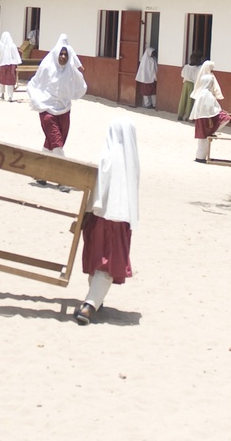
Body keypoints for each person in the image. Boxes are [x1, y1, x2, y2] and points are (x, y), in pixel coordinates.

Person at [75, 118, 139, 325]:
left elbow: (96, 190)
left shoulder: (106, 159)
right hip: (120, 219)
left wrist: (85, 213)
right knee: (109, 261)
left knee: (98, 258)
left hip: (100, 216)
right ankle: (92, 302)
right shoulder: (133, 163)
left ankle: (91, 303)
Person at [27, 34, 87, 191]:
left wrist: (70, 96)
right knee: (57, 142)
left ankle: (40, 173)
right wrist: (38, 100)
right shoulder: (46, 67)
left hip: (64, 110)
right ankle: (63, 178)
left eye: (66, 54)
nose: (63, 57)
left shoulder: (71, 72)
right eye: (60, 53)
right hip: (47, 110)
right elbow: (34, 83)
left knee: (52, 143)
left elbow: (81, 86)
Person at [189, 61, 231, 163]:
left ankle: (200, 156)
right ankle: (201, 157)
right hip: (207, 118)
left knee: (202, 140)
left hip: (201, 117)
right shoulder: (207, 94)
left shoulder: (201, 93)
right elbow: (210, 108)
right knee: (204, 139)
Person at [177, 51, 203, 121]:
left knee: (183, 100)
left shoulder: (186, 67)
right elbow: (197, 77)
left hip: (185, 84)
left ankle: (180, 115)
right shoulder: (197, 68)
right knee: (190, 101)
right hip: (192, 84)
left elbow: (182, 75)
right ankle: (188, 116)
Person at [0, 31, 22, 101]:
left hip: (3, 64)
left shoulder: (0, 45)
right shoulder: (12, 45)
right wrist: (17, 62)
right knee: (10, 81)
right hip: (11, 65)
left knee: (2, 80)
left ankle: (2, 94)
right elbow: (16, 55)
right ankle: (10, 96)